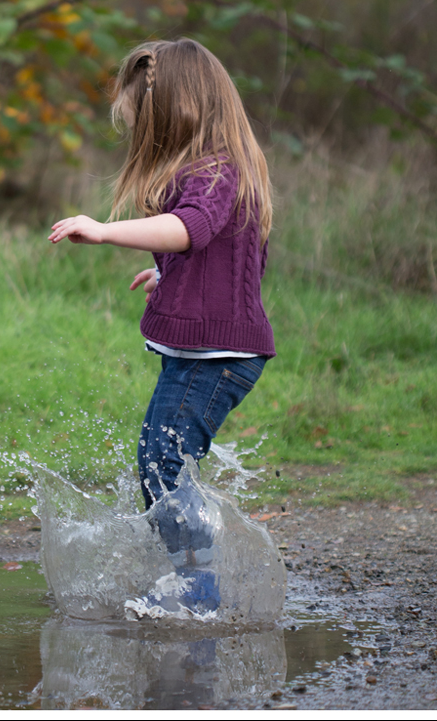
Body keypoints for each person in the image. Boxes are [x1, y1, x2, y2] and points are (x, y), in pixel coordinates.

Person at [49, 38, 275, 613]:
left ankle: (197, 586)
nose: (137, 139)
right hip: (205, 348)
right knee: (159, 458)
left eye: (139, 124)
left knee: (164, 462)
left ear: (173, 115)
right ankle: (189, 567)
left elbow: (190, 229)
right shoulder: (213, 167)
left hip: (217, 355)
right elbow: (209, 251)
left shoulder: (218, 169)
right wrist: (166, 275)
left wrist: (103, 230)